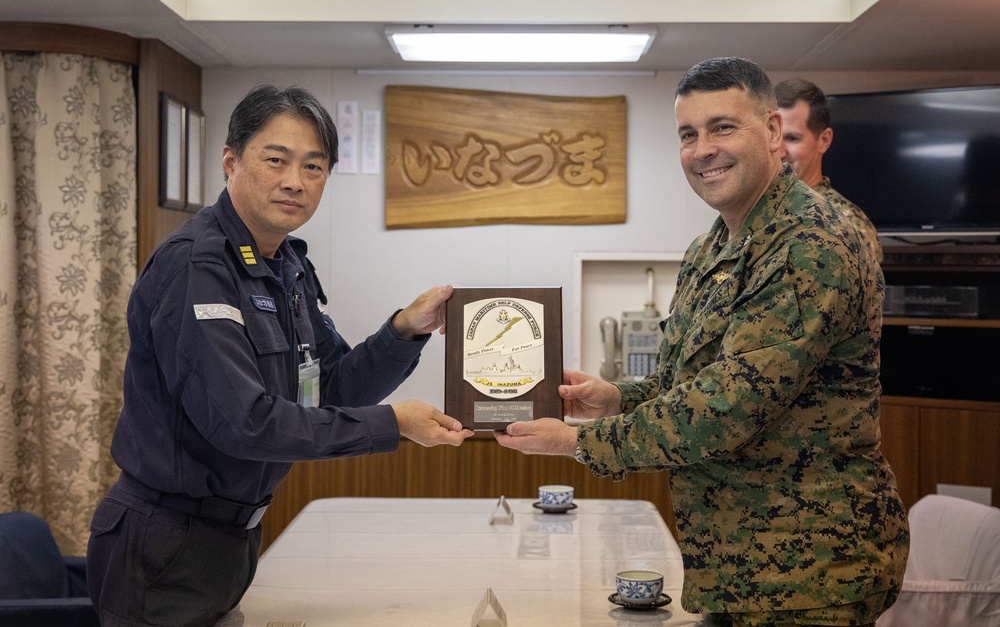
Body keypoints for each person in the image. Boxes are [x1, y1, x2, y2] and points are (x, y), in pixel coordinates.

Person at [496, 58, 909, 626]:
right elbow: (687, 386)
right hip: (735, 569)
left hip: (810, 573)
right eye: (688, 134)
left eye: (722, 127)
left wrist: (575, 442)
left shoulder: (811, 242)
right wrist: (616, 398)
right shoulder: (709, 251)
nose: (702, 149)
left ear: (770, 132)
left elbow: (725, 409)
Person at [87, 84, 473, 627]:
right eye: (276, 160)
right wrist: (393, 424)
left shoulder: (285, 263)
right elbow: (243, 423)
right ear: (231, 161)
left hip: (227, 539)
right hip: (166, 544)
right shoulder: (199, 268)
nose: (295, 180)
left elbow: (330, 386)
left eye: (314, 167)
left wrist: (405, 331)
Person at [775, 78, 883, 262]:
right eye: (773, 137)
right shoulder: (758, 211)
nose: (780, 151)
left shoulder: (845, 222)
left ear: (824, 140)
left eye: (792, 138)